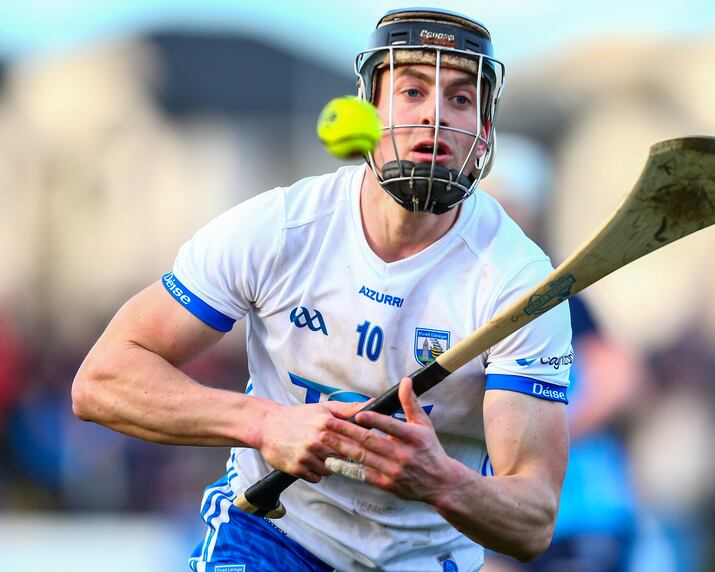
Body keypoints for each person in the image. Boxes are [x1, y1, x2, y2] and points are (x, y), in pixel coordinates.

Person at [72, 8, 573, 571]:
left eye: (460, 99)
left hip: (422, 561)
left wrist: (442, 483)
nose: (436, 116)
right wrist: (264, 423)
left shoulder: (519, 282)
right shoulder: (280, 230)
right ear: (369, 111)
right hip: (273, 533)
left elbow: (533, 518)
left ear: (482, 132)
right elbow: (102, 380)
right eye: (412, 91)